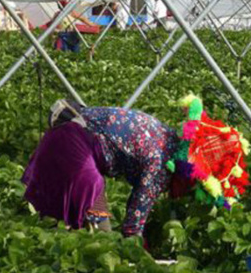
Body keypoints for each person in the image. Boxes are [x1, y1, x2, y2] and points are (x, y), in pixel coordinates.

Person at [22, 99, 183, 237]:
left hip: (60, 138)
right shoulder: (161, 162)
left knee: (57, 220)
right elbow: (136, 216)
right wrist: (135, 250)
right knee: (102, 232)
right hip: (73, 147)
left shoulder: (166, 136)